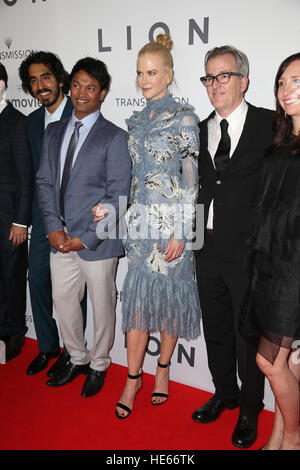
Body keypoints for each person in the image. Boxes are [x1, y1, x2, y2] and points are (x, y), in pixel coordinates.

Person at [112, 34, 201, 419]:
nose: (144, 80)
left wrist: (182, 231)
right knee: (136, 307)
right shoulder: (134, 120)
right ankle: (133, 379)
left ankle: (162, 371)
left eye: (152, 72)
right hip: (140, 227)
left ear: (169, 74)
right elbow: (133, 178)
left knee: (168, 304)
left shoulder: (184, 117)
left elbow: (191, 177)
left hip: (172, 227)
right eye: (139, 73)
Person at [192, 45, 274, 449]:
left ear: (243, 80)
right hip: (205, 250)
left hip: (247, 254)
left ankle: (249, 408)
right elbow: (196, 190)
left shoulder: (270, 125)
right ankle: (224, 391)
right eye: (208, 77)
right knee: (217, 330)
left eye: (223, 76)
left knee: (247, 336)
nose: (214, 84)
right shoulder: (198, 128)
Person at [36, 57, 131, 398]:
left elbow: (119, 195)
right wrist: (52, 228)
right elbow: (44, 182)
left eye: (90, 87)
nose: (81, 93)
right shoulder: (53, 131)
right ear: (68, 86)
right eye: (76, 85)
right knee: (63, 303)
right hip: (59, 238)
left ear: (102, 93)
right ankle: (77, 356)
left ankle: (100, 363)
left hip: (96, 243)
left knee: (102, 306)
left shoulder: (114, 137)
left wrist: (85, 238)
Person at [243, 52, 300, 450]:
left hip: (294, 272)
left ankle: (294, 438)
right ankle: (278, 435)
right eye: (282, 82)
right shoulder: (282, 144)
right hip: (268, 266)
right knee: (284, 363)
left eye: (296, 81)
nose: (285, 90)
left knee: (270, 361)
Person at [19, 51, 87, 377]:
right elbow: (29, 174)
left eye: (45, 77)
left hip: (75, 220)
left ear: (60, 79)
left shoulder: (82, 114)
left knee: (75, 290)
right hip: (43, 219)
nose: (40, 85)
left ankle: (78, 352)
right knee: (39, 283)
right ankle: (48, 347)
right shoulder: (30, 123)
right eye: (33, 80)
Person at [0, 63, 33, 361]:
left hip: (9, 218)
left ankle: (14, 335)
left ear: (1, 83)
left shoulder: (17, 122)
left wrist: (21, 221)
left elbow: (26, 177)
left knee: (11, 277)